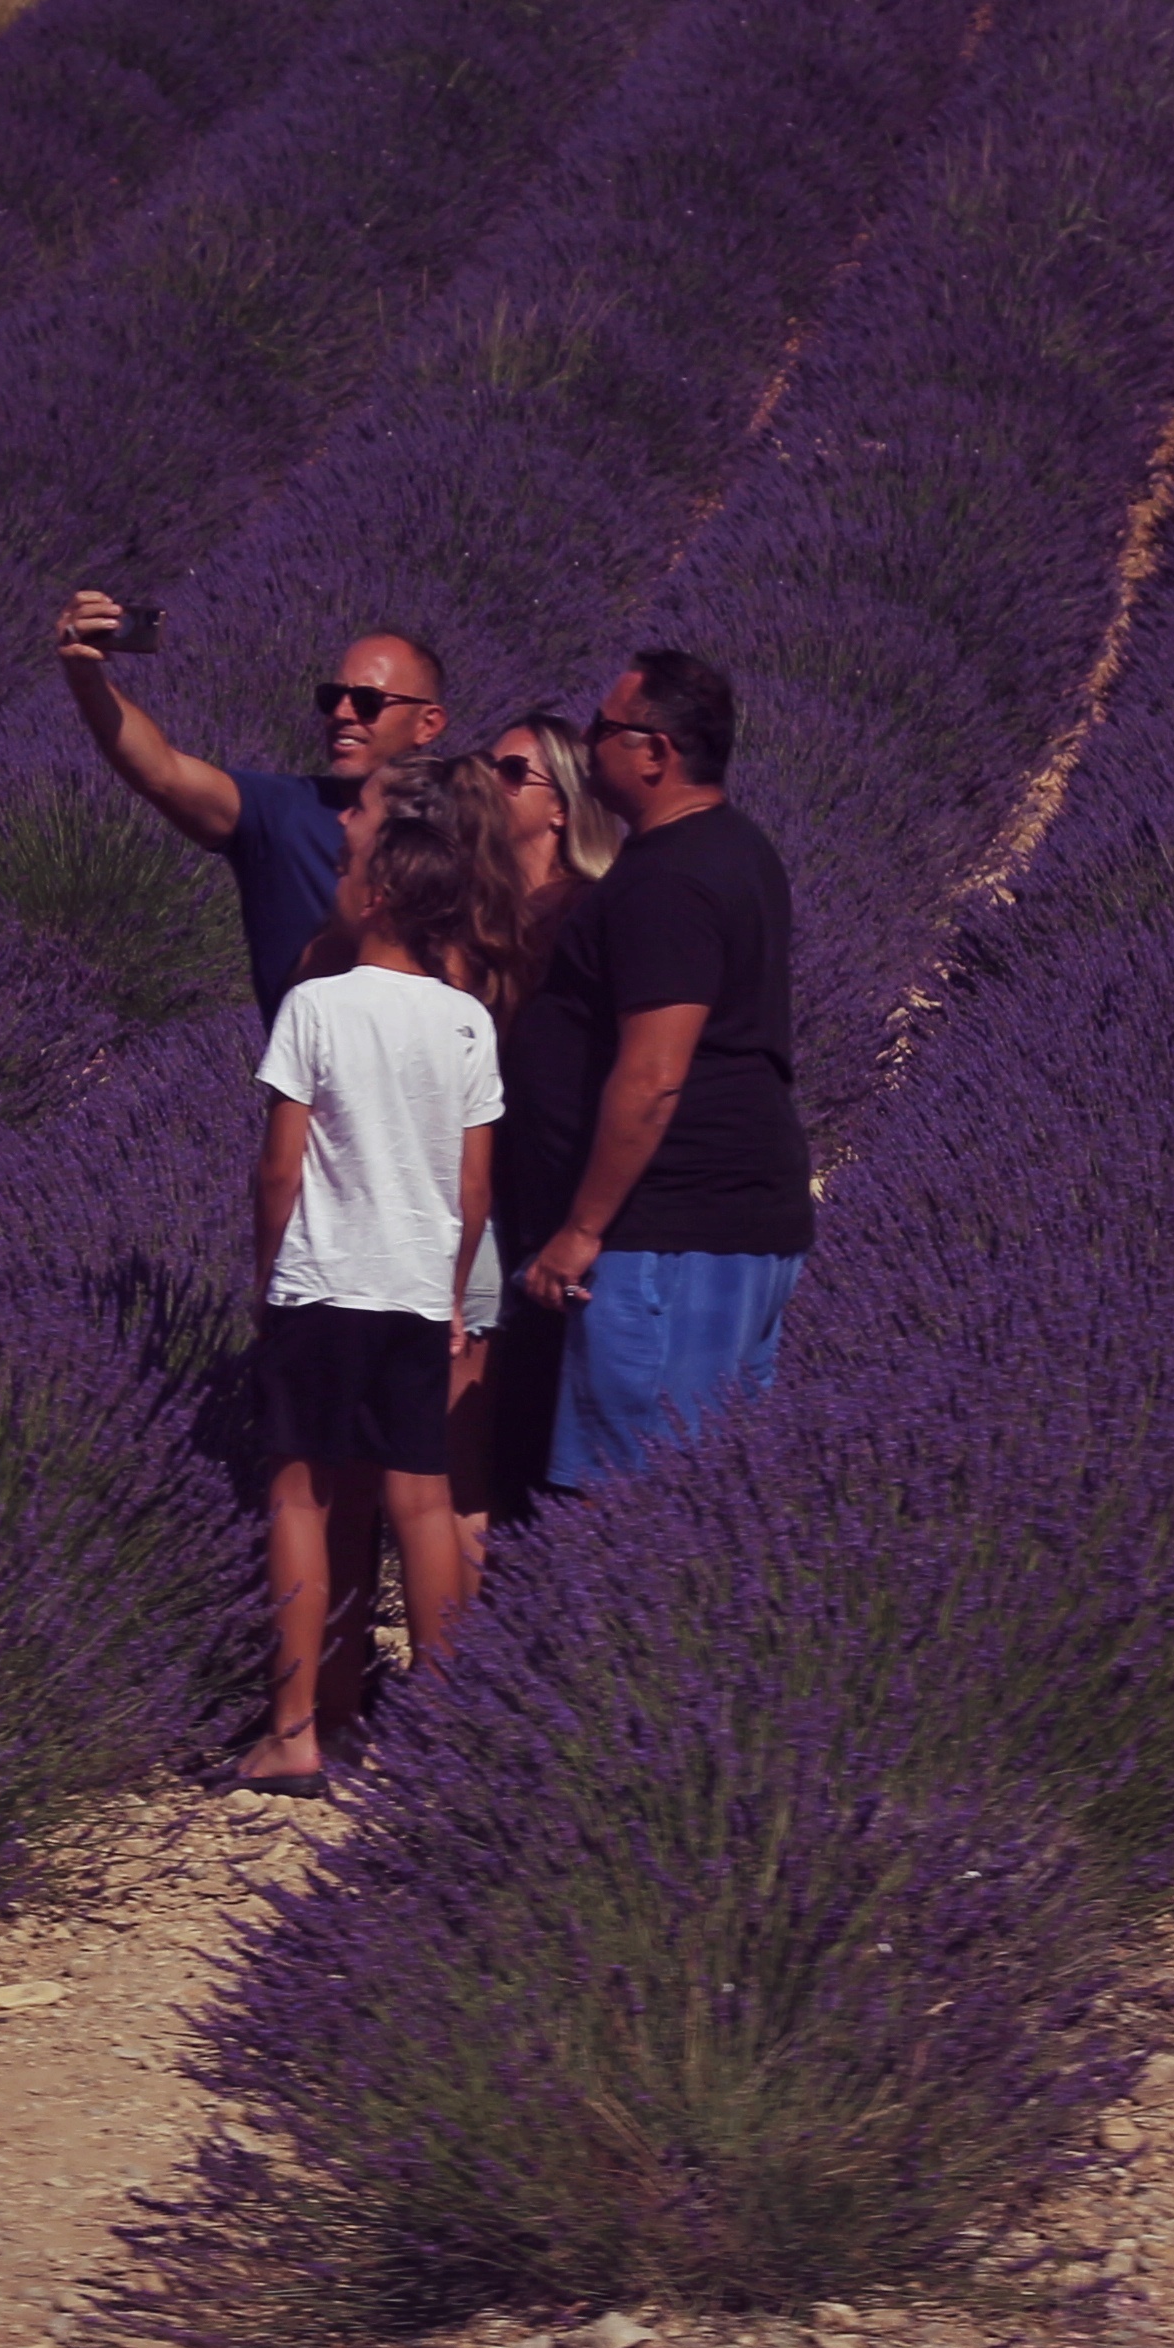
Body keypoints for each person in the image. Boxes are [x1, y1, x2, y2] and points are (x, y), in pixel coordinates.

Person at [233, 758, 526, 1793]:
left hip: (322, 1286)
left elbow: (279, 1168)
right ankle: (442, 1732)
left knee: (302, 1497)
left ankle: (295, 1729)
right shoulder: (468, 1023)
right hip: (415, 1292)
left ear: (383, 894)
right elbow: (477, 1185)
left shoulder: (315, 1006)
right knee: (423, 1499)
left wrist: (269, 1276)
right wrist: (449, 1289)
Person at [510, 650, 808, 1491]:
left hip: (670, 1236)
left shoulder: (670, 879)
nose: (590, 743)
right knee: (698, 1496)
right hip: (722, 1226)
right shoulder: (734, 848)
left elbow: (653, 1076)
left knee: (633, 1498)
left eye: (605, 729)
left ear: (656, 752)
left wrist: (582, 1230)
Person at [54, 589, 447, 1015]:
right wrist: (84, 676)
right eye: (331, 698)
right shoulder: (283, 812)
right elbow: (161, 773)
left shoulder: (468, 829)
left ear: (428, 724)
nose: (343, 713)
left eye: (368, 702)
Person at [467, 709, 623, 1531]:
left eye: (512, 772)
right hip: (498, 1193)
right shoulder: (485, 917)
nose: (490, 786)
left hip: (559, 1201)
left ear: (561, 804)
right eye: (486, 769)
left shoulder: (584, 911)